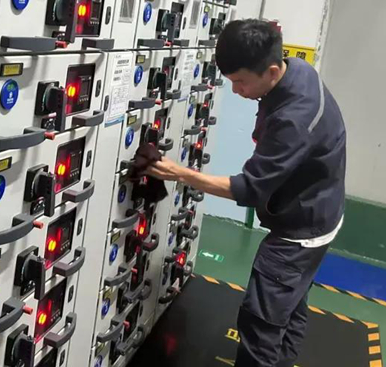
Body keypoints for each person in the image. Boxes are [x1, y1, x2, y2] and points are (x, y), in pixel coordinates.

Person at [144, 19, 346, 367]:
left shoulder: (294, 119)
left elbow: (249, 189)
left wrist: (180, 174)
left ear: (271, 71)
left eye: (240, 82)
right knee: (290, 304)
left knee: (261, 321)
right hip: (322, 212)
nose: (236, 91)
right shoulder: (297, 70)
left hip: (300, 232)